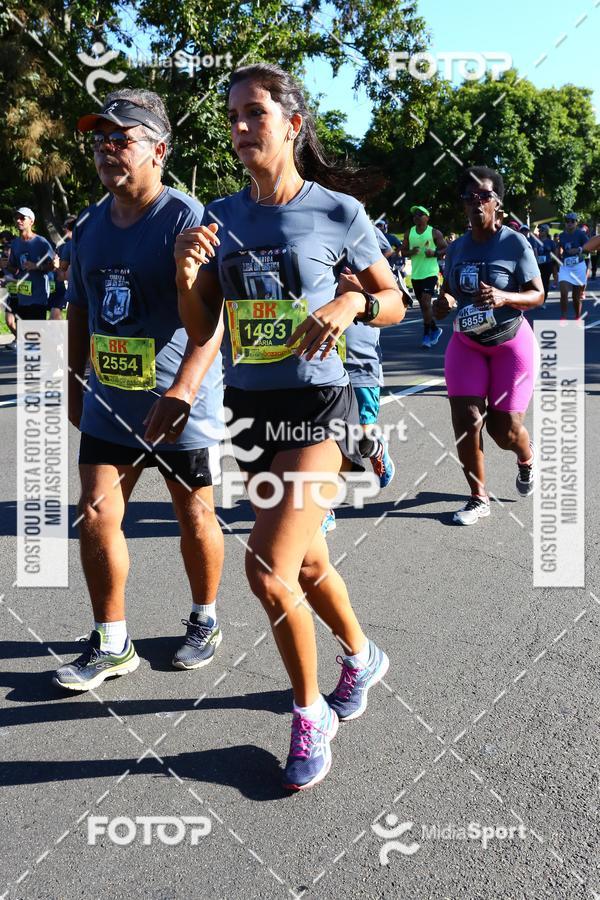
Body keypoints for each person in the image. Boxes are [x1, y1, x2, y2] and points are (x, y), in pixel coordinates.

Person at [176, 63, 405, 791]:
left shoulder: (337, 212)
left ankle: (312, 715)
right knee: (304, 563)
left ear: (292, 124)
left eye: (255, 114)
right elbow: (202, 324)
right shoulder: (218, 215)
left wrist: (352, 307)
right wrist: (187, 275)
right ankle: (362, 655)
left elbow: (393, 301)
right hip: (252, 410)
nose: (242, 128)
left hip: (318, 409)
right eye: (234, 117)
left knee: (269, 571)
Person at [53, 89, 226, 691]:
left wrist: (181, 389)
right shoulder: (89, 225)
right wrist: (75, 382)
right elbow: (80, 310)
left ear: (158, 149)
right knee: (95, 512)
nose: (106, 148)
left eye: (121, 137)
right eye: (100, 138)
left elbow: (212, 316)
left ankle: (204, 619)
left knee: (194, 514)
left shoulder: (184, 216)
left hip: (179, 402)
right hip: (110, 400)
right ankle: (112, 639)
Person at [433, 166, 543, 525]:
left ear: (497, 202)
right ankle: (478, 498)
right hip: (467, 344)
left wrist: (503, 296)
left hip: (510, 343)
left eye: (483, 196)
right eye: (469, 197)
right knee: (467, 420)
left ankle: (526, 458)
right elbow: (447, 295)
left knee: (503, 430)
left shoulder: (514, 243)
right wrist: (442, 304)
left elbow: (537, 294)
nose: (475, 202)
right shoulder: (457, 249)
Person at [401, 205, 447, 348]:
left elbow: (446, 249)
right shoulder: (409, 233)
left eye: (420, 214)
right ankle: (435, 329)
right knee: (424, 308)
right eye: (414, 215)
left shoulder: (434, 232)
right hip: (416, 275)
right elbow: (402, 252)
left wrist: (434, 254)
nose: (416, 217)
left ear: (427, 217)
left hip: (430, 273)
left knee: (426, 303)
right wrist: (411, 252)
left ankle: (426, 336)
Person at [5, 207, 53, 321]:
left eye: (22, 218)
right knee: (24, 335)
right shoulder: (15, 243)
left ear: (31, 221)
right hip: (22, 298)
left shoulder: (41, 242)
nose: (18, 220)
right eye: (16, 218)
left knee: (35, 334)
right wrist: (6, 266)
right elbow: (15, 268)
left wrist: (37, 266)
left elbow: (54, 266)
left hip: (38, 298)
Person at [556, 212, 588, 320]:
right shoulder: (561, 235)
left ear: (576, 223)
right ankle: (564, 316)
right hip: (566, 267)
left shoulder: (581, 234)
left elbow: (588, 248)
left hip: (578, 266)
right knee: (564, 292)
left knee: (576, 296)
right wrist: (557, 258)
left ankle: (577, 316)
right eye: (567, 221)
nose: (569, 223)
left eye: (572, 221)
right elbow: (559, 248)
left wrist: (579, 250)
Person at [49, 215, 77, 321]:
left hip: (76, 295)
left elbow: (62, 276)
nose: (64, 228)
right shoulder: (93, 243)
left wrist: (56, 267)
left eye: (66, 226)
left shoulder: (67, 246)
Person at [535, 224, 557, 302]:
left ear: (546, 232)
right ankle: (537, 298)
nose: (540, 231)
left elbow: (555, 253)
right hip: (537, 265)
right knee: (537, 282)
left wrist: (553, 262)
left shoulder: (551, 242)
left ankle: (543, 299)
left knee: (545, 282)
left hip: (547, 264)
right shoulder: (536, 241)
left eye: (542, 230)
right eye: (539, 230)